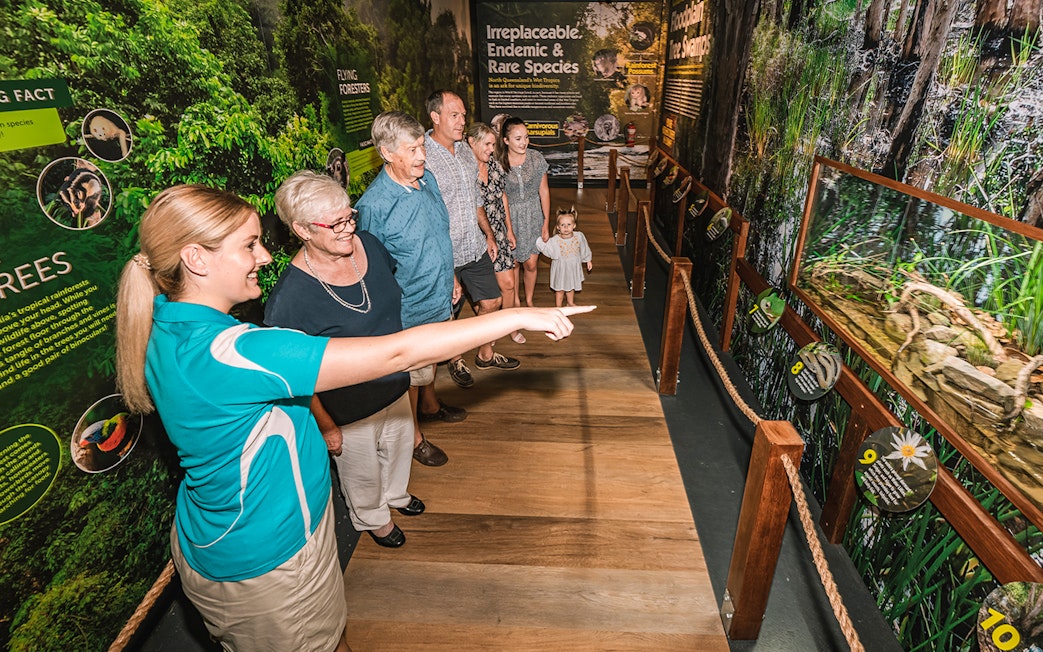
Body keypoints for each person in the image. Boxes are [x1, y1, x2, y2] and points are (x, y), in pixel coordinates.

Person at [114, 183, 590, 652]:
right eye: (249, 245)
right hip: (271, 553)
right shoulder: (236, 353)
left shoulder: (167, 325)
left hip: (226, 538)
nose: (263, 257)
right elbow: (396, 353)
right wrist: (517, 317)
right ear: (196, 259)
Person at [264, 170, 421, 549]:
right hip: (348, 408)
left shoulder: (369, 243)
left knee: (399, 451)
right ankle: (373, 518)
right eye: (336, 224)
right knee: (362, 472)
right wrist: (326, 425)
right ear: (302, 230)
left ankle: (396, 496)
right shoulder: (289, 299)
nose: (349, 228)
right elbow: (294, 378)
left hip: (395, 384)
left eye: (349, 216)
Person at [353, 111, 457, 467]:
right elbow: (372, 272)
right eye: (411, 150)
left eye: (422, 146)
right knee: (412, 376)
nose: (422, 156)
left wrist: (452, 277)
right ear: (386, 153)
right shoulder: (374, 207)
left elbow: (439, 235)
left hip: (439, 294)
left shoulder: (426, 180)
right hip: (409, 311)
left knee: (428, 367)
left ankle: (430, 407)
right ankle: (414, 439)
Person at [425, 89, 520, 380]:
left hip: (475, 245)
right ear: (435, 117)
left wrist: (489, 235)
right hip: (445, 252)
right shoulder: (424, 157)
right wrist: (448, 268)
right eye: (454, 115)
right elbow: (428, 216)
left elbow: (474, 200)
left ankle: (484, 355)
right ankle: (455, 358)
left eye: (464, 115)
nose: (461, 120)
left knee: (492, 301)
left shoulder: (466, 150)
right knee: (450, 312)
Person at [467, 121, 524, 344]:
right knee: (481, 293)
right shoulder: (463, 170)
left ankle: (506, 328)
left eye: (493, 144)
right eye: (488, 144)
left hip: (498, 232)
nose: (492, 149)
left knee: (508, 284)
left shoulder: (495, 166)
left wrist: (509, 229)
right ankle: (486, 332)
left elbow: (502, 197)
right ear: (471, 142)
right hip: (475, 235)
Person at [498, 117, 550, 308]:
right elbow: (500, 196)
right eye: (518, 138)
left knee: (531, 264)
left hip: (533, 215)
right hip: (509, 218)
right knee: (514, 264)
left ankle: (529, 300)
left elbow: (543, 191)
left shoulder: (536, 158)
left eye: (526, 137)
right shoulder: (498, 162)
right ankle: (517, 301)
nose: (524, 142)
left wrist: (546, 222)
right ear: (506, 140)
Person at [535, 207, 593, 307]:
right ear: (558, 227)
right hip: (560, 269)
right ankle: (558, 307)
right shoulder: (555, 240)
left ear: (574, 225)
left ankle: (570, 303)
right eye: (563, 225)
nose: (566, 227)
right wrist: (539, 240)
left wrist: (588, 260)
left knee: (571, 287)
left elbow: (584, 248)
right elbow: (548, 249)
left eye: (569, 225)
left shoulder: (579, 236)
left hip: (572, 268)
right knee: (560, 289)